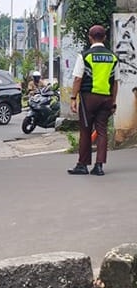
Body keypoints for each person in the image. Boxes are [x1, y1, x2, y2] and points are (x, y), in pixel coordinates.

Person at [68, 25, 118, 176]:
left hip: (88, 98)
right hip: (106, 98)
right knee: (102, 131)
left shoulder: (85, 56)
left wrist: (73, 98)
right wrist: (113, 102)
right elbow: (115, 83)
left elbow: (78, 79)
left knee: (85, 130)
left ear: (90, 38)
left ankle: (82, 165)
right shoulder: (113, 57)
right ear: (104, 38)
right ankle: (99, 166)